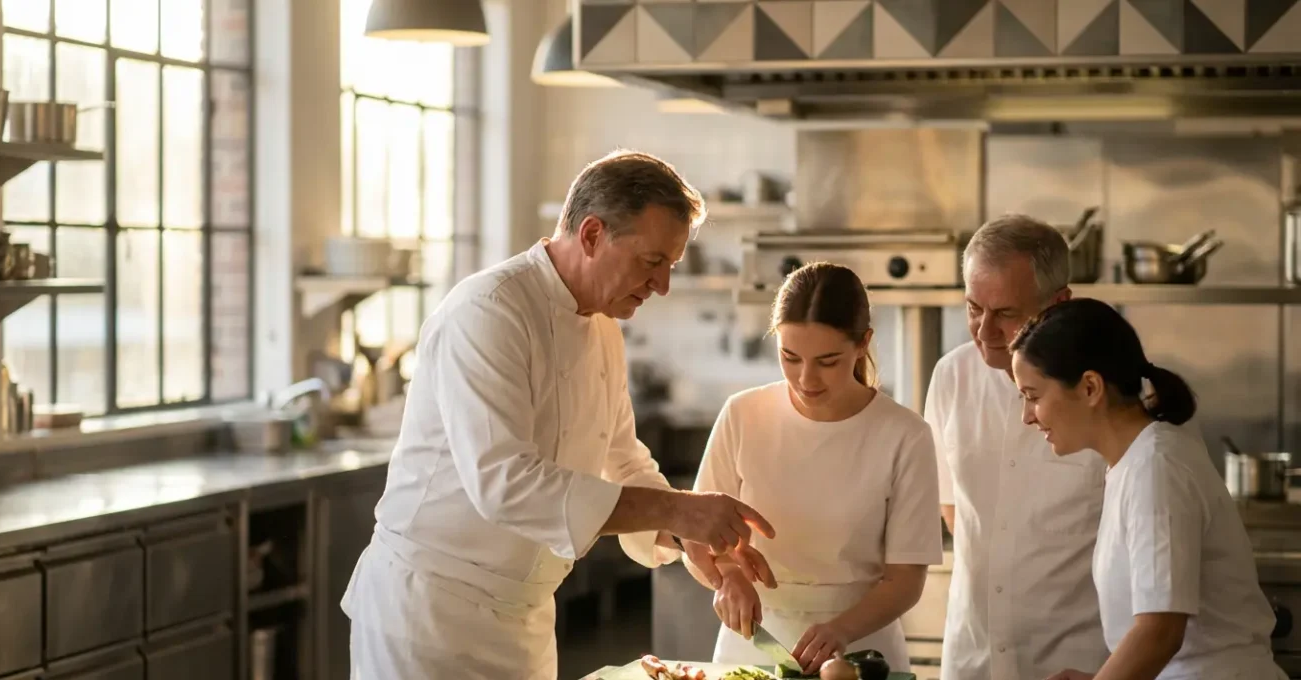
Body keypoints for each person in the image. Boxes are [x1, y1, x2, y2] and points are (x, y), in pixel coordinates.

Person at [340, 150, 778, 680]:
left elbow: (620, 456)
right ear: (592, 235)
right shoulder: (489, 311)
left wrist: (689, 533)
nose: (661, 285)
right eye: (651, 262)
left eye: (670, 266)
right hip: (431, 619)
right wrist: (679, 511)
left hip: (523, 620)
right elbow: (505, 483)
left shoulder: (603, 327)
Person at [685, 262, 944, 676]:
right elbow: (697, 535)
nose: (806, 379)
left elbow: (906, 579)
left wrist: (841, 630)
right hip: (753, 641)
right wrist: (726, 578)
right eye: (790, 357)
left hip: (859, 648)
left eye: (828, 361)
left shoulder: (905, 435)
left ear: (863, 344)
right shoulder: (742, 415)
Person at [1010, 297, 1286, 680]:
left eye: (1033, 396)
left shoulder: (1156, 467)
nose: (1027, 416)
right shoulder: (1133, 463)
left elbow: (1160, 632)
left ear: (1090, 387)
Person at [926, 214, 1110, 680]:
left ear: (1059, 303)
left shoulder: (1107, 391)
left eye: (1006, 313)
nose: (984, 331)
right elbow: (952, 507)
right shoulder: (951, 377)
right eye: (973, 308)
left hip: (1079, 662)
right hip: (974, 659)